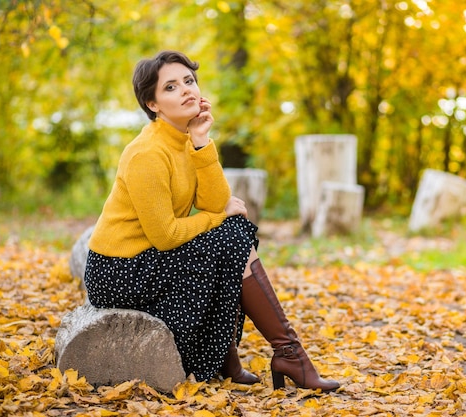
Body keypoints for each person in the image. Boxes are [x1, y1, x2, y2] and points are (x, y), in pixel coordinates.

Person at [84, 50, 340, 392]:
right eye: (171, 87)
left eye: (189, 81)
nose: (187, 90)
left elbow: (217, 202)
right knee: (231, 236)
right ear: (153, 104)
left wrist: (202, 141)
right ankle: (284, 353)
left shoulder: (187, 141)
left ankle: (258, 353)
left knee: (234, 233)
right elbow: (168, 235)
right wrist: (215, 216)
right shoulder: (147, 153)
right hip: (118, 271)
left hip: (148, 259)